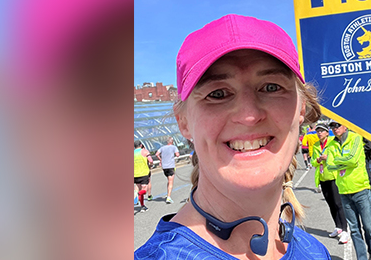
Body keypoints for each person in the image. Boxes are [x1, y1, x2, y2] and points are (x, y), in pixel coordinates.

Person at [135, 14, 330, 260]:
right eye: (217, 93)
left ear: (301, 109)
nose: (249, 116)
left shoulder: (315, 251)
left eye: (271, 87)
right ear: (183, 122)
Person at [323, 122, 371, 260]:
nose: (335, 129)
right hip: (344, 191)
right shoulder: (330, 144)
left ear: (345, 126)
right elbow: (329, 165)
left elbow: (353, 160)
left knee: (369, 227)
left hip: (361, 189)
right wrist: (341, 162)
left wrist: (336, 161)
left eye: (338, 125)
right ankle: (362, 258)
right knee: (354, 229)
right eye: (332, 126)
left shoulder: (356, 138)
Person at [310, 124, 349, 244]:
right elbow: (312, 161)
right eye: (318, 131)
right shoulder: (316, 145)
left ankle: (345, 230)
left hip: (334, 177)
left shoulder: (333, 142)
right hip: (323, 178)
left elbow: (339, 157)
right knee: (331, 204)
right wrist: (318, 160)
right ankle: (338, 227)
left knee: (338, 204)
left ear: (327, 133)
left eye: (322, 131)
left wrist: (328, 158)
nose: (320, 133)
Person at [155, 136, 180, 204]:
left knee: (169, 180)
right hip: (171, 166)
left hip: (164, 167)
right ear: (172, 142)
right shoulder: (174, 147)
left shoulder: (162, 148)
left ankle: (168, 194)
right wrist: (175, 154)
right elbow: (177, 155)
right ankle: (168, 197)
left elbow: (157, 154)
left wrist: (161, 160)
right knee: (171, 181)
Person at [134, 141, 153, 211]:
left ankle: (142, 206)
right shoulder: (144, 151)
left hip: (135, 174)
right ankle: (137, 193)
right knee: (144, 190)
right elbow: (150, 160)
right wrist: (151, 165)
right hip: (144, 173)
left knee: (138, 187)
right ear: (141, 145)